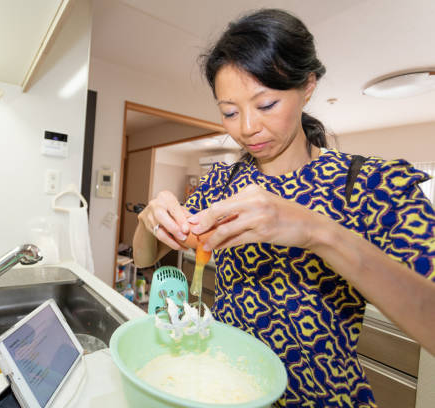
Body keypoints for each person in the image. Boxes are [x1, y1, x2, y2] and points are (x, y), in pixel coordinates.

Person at [132, 8, 435, 407]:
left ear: (307, 86)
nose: (246, 128)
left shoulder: (369, 185)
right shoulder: (222, 184)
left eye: (267, 104)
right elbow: (144, 256)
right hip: (223, 385)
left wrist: (319, 233)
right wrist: (149, 219)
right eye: (229, 112)